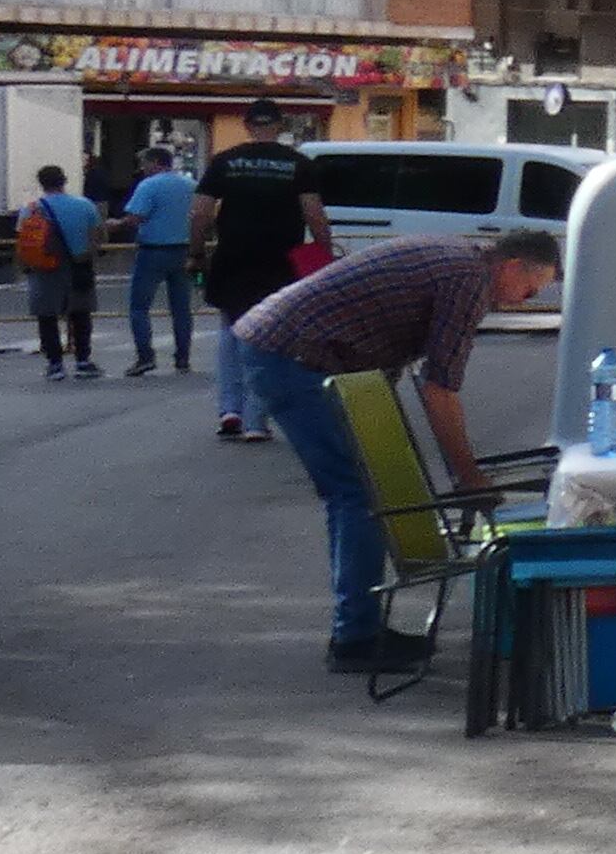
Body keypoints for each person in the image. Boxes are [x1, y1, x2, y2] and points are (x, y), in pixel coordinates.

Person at [231, 223, 569, 667]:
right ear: (509, 265)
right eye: (528, 288)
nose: (523, 301)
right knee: (357, 493)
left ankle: (359, 626)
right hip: (291, 354)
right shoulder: (468, 280)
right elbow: (440, 388)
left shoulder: (463, 260)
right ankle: (354, 639)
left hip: (293, 348)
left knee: (365, 489)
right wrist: (468, 476)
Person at [196, 101, 333, 445]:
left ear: (247, 125)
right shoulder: (297, 164)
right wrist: (323, 253)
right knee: (271, 337)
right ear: (279, 125)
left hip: (233, 257)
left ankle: (230, 410)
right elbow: (314, 214)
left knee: (231, 331)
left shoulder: (225, 162)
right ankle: (257, 419)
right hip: (280, 261)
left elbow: (200, 212)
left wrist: (195, 251)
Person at [20, 162, 107, 379]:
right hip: (79, 263)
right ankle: (83, 360)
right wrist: (89, 255)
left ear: (41, 184)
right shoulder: (85, 205)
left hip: (45, 266)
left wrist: (26, 264)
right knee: (80, 314)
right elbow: (98, 236)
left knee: (47, 315)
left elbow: (23, 240)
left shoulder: (31, 208)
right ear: (65, 181)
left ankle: (55, 364)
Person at [120, 144, 199, 378]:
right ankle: (182, 358)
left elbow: (136, 217)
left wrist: (117, 223)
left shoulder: (148, 185)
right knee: (182, 308)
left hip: (153, 250)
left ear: (155, 162)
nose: (142, 169)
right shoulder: (191, 185)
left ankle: (145, 357)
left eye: (144, 163)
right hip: (183, 249)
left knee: (139, 307)